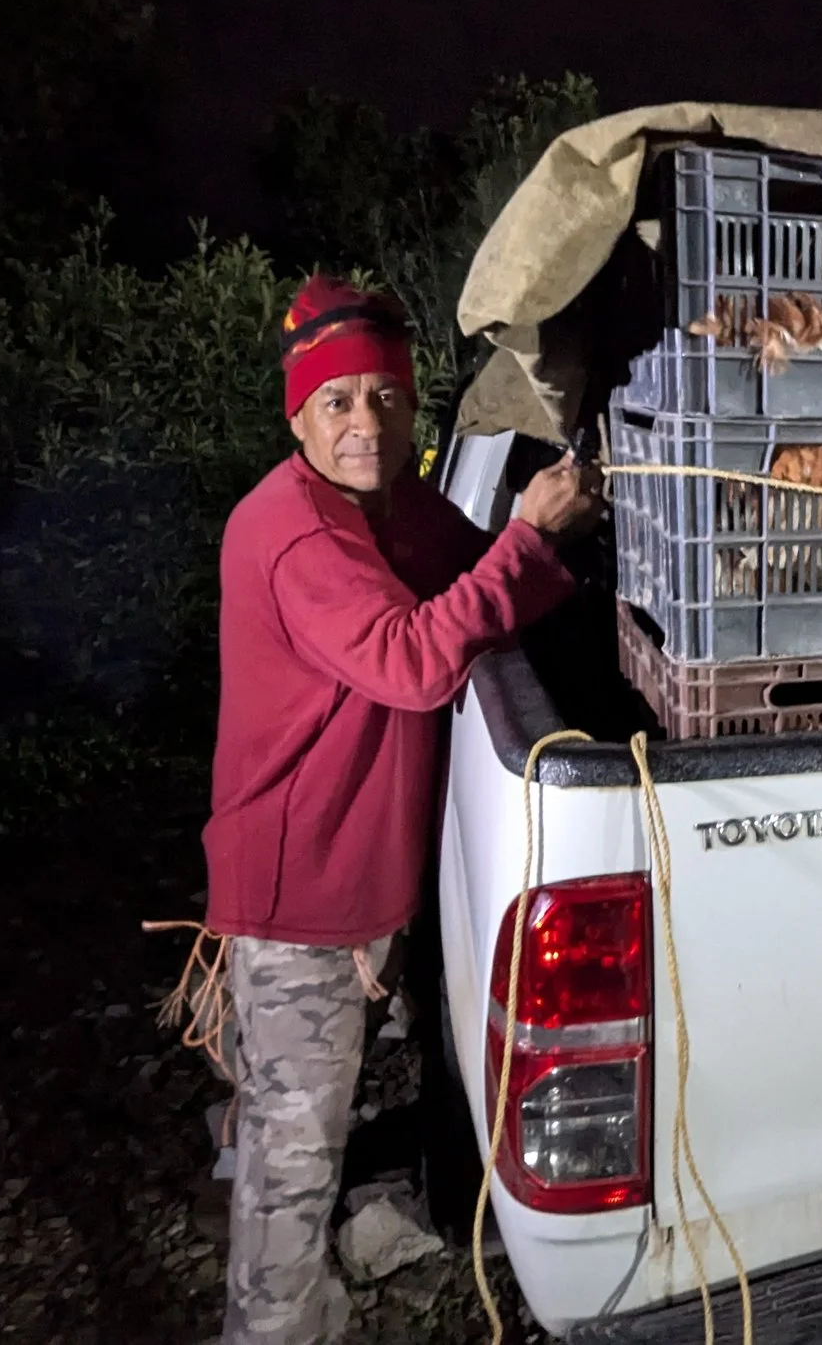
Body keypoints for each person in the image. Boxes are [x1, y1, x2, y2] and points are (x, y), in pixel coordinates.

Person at [196, 275, 597, 1344]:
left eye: (386, 398)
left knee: (306, 1128)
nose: (367, 423)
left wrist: (561, 545)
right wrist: (525, 536)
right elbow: (415, 661)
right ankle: (271, 1327)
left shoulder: (395, 507)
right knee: (290, 1168)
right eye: (339, 402)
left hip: (362, 881)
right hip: (299, 902)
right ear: (297, 414)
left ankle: (314, 1304)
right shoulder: (291, 532)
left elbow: (484, 577)